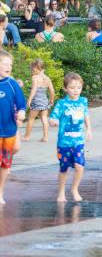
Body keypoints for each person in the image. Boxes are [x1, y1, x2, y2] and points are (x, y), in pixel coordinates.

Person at [49, 72, 92, 202]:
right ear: (65, 88)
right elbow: (53, 117)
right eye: (72, 87)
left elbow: (86, 116)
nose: (76, 90)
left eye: (78, 87)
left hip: (78, 141)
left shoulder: (83, 101)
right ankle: (61, 192)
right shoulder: (62, 104)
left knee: (80, 166)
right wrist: (53, 122)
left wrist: (89, 129)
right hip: (64, 143)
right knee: (64, 168)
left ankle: (74, 189)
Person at [0, 49, 26, 205]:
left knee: (4, 164)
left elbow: (21, 103)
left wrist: (22, 112)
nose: (8, 66)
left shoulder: (12, 84)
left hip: (9, 130)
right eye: (4, 64)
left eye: (10, 64)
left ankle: (0, 191)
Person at [23, 58, 55, 142]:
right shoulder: (47, 78)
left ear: (37, 68)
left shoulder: (35, 78)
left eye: (33, 69)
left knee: (31, 119)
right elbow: (52, 90)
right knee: (44, 118)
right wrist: (51, 99)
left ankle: (27, 136)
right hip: (44, 101)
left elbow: (34, 90)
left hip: (36, 101)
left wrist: (29, 100)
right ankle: (45, 137)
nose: (32, 71)